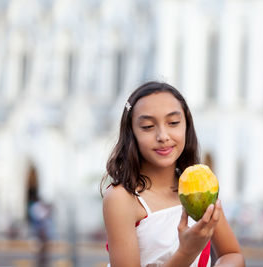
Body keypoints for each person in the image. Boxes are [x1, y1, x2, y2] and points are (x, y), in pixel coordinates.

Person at [101, 81, 245, 267]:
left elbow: (232, 254)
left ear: (186, 125)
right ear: (132, 133)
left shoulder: (199, 185)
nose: (163, 136)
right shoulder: (122, 198)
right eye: (147, 126)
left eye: (173, 123)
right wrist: (187, 251)